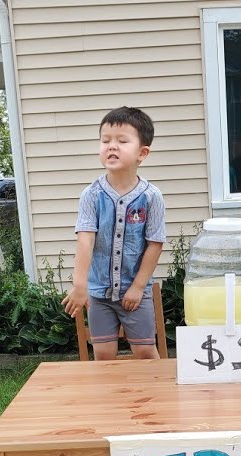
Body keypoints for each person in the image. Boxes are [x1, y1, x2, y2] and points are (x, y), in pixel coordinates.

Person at [61, 107, 167, 360]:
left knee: (145, 351)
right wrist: (80, 284)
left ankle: (154, 397)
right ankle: (107, 399)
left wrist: (138, 287)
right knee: (104, 354)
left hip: (135, 293)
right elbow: (85, 239)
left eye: (122, 141)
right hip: (100, 295)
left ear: (142, 153)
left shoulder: (152, 197)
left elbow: (155, 244)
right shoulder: (91, 195)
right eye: (106, 140)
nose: (112, 146)